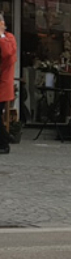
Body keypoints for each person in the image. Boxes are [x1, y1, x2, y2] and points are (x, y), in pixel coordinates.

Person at [0, 13, 15, 155]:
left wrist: (1, 36)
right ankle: (5, 139)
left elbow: (8, 55)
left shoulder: (9, 38)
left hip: (2, 84)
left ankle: (5, 141)